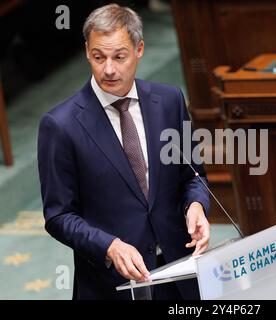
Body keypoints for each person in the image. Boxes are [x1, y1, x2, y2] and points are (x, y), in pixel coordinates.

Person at [37, 3, 210, 300]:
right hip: (112, 285)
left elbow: (193, 175)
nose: (108, 69)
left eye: (119, 57)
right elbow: (59, 216)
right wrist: (109, 245)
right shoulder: (60, 126)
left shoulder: (169, 101)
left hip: (179, 274)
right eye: (98, 57)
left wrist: (196, 206)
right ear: (87, 52)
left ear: (139, 49)